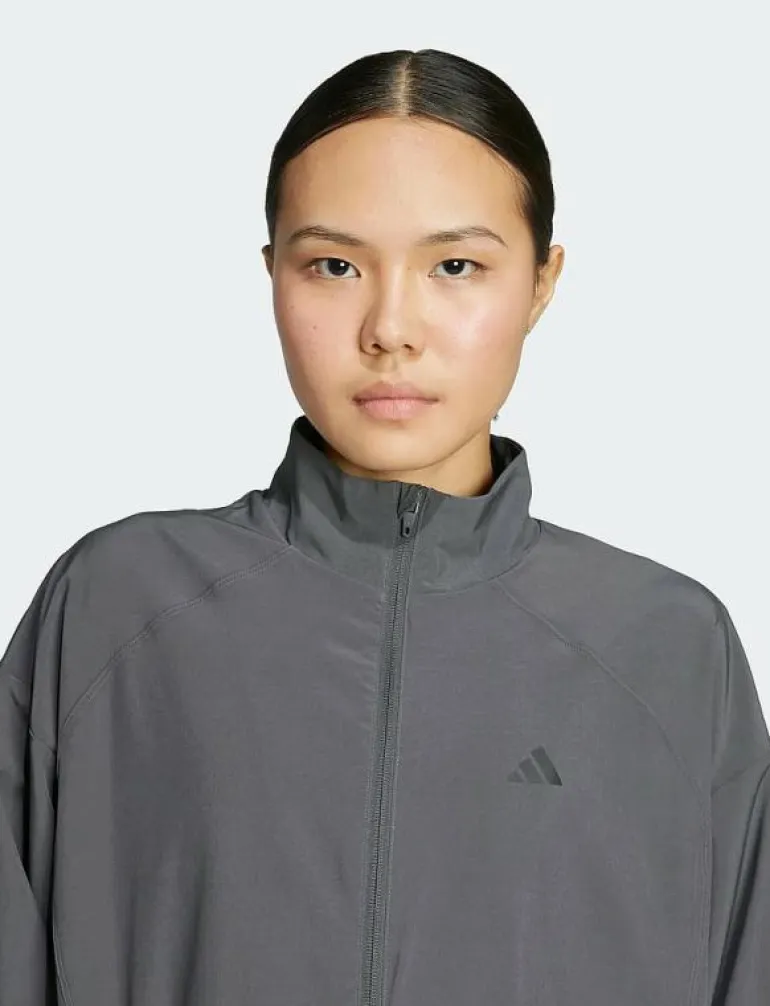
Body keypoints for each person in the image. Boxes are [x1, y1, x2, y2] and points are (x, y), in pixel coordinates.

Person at [0, 47, 767, 1006]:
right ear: (272, 274)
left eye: (456, 265)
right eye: (333, 265)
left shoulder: (668, 648)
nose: (390, 328)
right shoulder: (116, 608)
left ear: (541, 282)